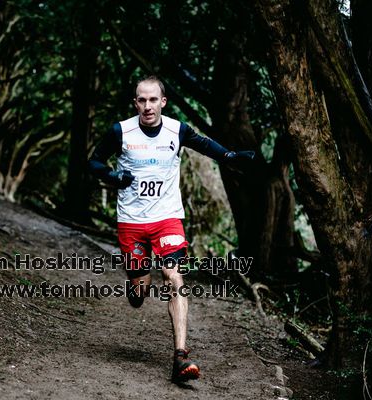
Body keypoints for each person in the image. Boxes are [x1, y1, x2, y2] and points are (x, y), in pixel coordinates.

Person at [88, 76, 254, 383]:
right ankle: (137, 286)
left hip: (167, 218)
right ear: (134, 102)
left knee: (173, 275)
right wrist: (113, 176)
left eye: (153, 100)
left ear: (163, 102)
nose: (147, 106)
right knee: (140, 290)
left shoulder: (176, 130)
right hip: (132, 222)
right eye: (141, 100)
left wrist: (230, 156)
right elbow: (94, 162)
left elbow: (204, 145)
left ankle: (180, 356)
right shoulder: (120, 131)